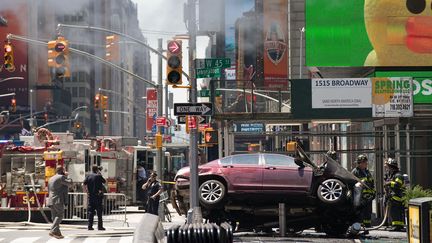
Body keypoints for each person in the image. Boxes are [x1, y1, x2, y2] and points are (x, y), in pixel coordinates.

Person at [47, 165, 73, 239]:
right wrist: (68, 176)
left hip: (51, 199)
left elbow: (48, 190)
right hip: (58, 200)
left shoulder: (50, 178)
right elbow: (70, 184)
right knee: (60, 215)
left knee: (55, 217)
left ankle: (57, 233)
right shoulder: (61, 177)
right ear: (62, 171)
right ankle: (52, 230)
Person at [351, 154, 376, 231]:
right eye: (364, 162)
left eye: (366, 162)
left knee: (368, 211)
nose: (366, 164)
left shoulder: (367, 172)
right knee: (361, 211)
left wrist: (373, 193)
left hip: (368, 196)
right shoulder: (355, 172)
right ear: (360, 163)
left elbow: (371, 182)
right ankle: (361, 225)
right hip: (360, 196)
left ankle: (367, 225)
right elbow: (352, 183)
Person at [384, 158, 406, 232]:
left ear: (391, 167)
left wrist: (390, 183)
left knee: (396, 212)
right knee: (393, 212)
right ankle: (395, 225)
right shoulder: (391, 175)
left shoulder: (398, 175)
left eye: (388, 167)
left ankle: (398, 226)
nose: (387, 168)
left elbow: (398, 184)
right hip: (392, 197)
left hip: (398, 198)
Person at [83, 165, 107, 230]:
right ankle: (100, 226)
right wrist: (100, 174)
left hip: (91, 196)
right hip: (98, 196)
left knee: (91, 212)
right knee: (99, 213)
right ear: (97, 170)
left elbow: (84, 183)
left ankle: (90, 226)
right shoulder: (98, 176)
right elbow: (104, 181)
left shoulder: (88, 176)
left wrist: (87, 192)